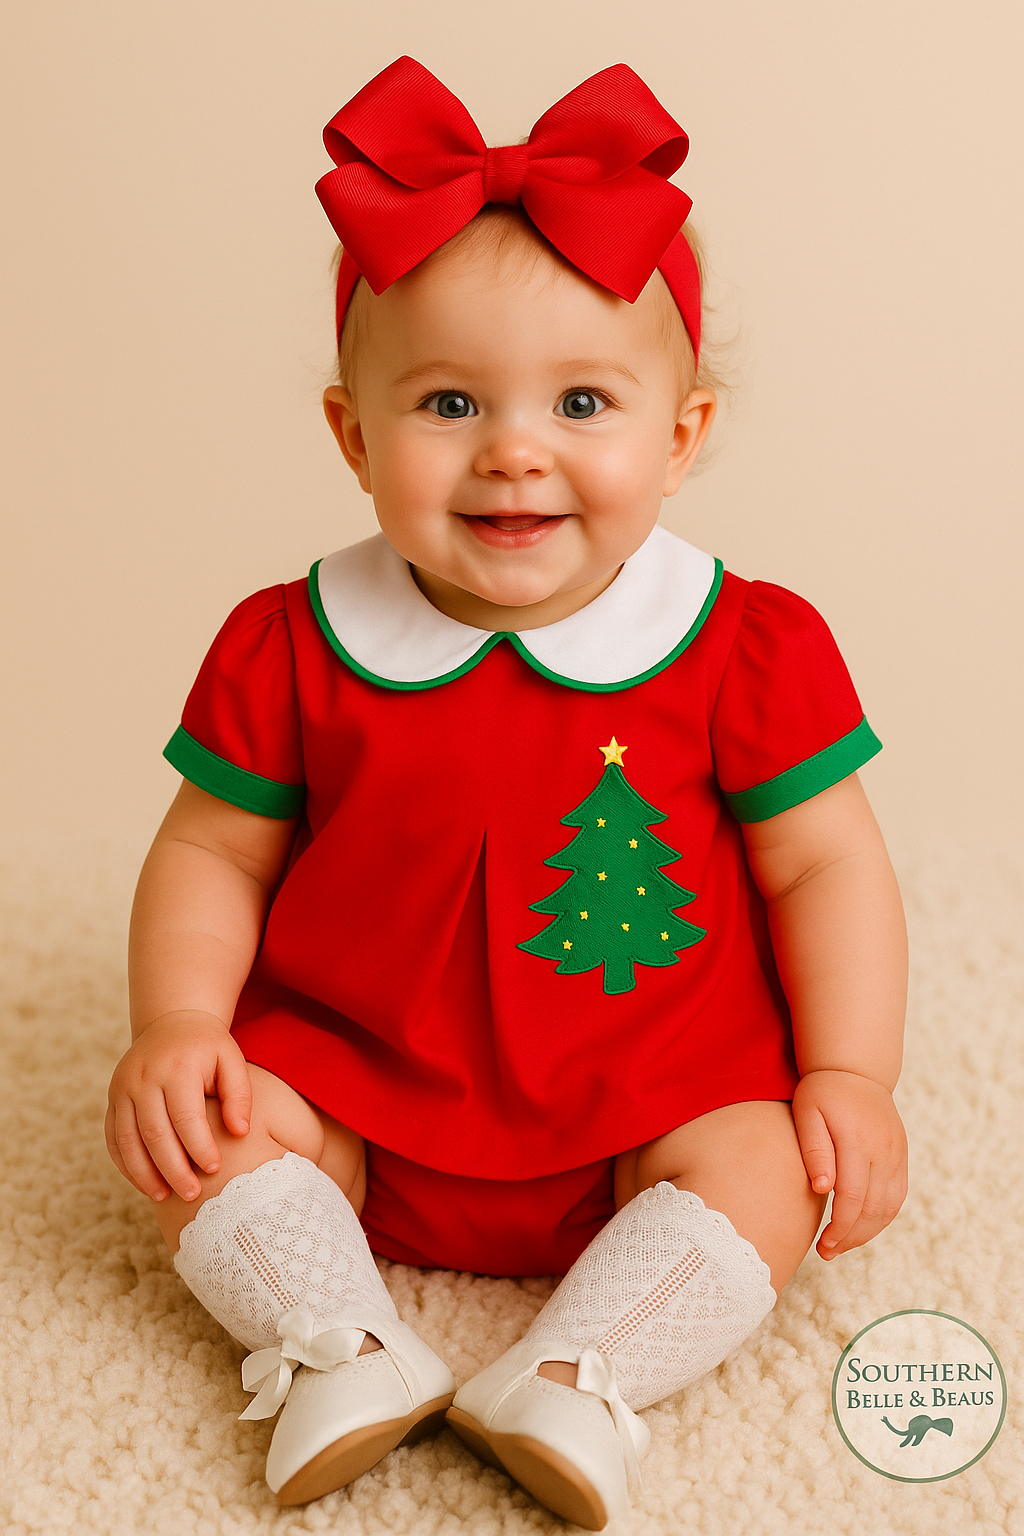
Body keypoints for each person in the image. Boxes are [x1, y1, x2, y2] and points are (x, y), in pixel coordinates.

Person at [104, 57, 909, 1530]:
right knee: (201, 1134)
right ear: (354, 436)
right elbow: (213, 849)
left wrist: (847, 1075)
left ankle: (582, 1369)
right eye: (451, 401)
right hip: (355, 1085)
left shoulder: (742, 643)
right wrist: (181, 1027)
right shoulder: (292, 641)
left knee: (767, 1164)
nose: (514, 449)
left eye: (583, 399)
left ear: (682, 436)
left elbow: (824, 867)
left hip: (653, 1090)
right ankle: (336, 1341)